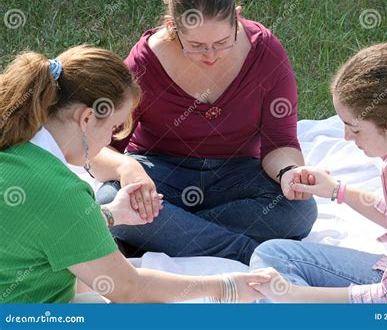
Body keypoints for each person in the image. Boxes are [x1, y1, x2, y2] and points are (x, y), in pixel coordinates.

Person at [0, 46, 271, 303]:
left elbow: (44, 227)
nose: (111, 139)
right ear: (86, 119)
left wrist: (111, 214)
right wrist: (225, 286)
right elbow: (129, 289)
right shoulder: (62, 191)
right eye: (114, 128)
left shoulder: (14, 145)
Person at [94, 0, 317, 264]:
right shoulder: (144, 62)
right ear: (171, 26)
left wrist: (289, 173)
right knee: (109, 198)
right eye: (197, 46)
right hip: (161, 175)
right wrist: (127, 167)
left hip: (236, 174)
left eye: (223, 41)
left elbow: (281, 141)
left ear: (237, 17)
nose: (211, 56)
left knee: (300, 210)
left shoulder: (265, 52)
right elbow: (97, 148)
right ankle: (248, 253)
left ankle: (160, 235)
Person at [249, 43, 387, 303]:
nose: (345, 136)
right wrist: (336, 190)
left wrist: (296, 295)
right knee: (274, 257)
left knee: (276, 295)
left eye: (354, 129)